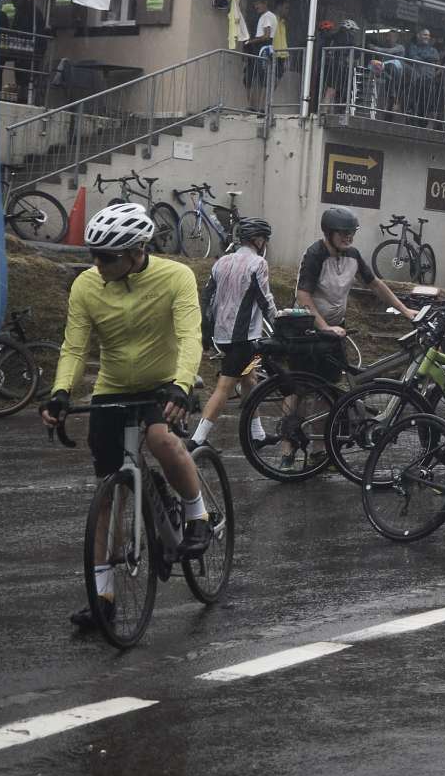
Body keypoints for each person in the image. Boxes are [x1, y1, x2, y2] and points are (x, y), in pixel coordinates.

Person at [42, 203, 214, 630]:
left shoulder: (176, 277)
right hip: (113, 386)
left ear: (136, 252)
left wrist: (182, 384)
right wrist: (60, 392)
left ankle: (197, 515)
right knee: (106, 495)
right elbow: (75, 347)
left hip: (163, 383)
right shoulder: (87, 285)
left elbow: (191, 336)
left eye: (106, 258)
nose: (96, 265)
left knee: (160, 439)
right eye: (93, 256)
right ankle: (103, 597)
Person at [299, 206, 420, 376]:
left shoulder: (353, 255)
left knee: (330, 384)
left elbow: (375, 285)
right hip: (308, 328)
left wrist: (405, 310)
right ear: (329, 232)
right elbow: (303, 296)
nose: (348, 237)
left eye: (352, 232)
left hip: (336, 328)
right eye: (343, 232)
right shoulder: (315, 255)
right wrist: (324, 327)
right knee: (299, 385)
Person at [195, 215, 279, 448]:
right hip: (243, 340)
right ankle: (197, 440)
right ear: (257, 240)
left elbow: (206, 295)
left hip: (222, 336)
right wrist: (280, 324)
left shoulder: (221, 262)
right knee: (225, 387)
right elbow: (265, 299)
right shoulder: (258, 264)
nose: (266, 244)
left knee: (250, 377)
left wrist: (206, 329)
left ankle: (258, 434)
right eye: (265, 239)